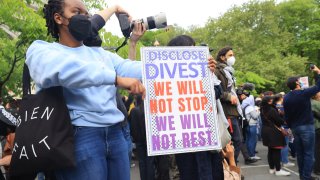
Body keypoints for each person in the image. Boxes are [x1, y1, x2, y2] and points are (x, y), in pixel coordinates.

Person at [26, 0, 146, 179]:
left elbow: (135, 68)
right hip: (79, 136)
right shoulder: (41, 50)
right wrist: (115, 79)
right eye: (77, 12)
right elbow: (64, 70)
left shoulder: (102, 54)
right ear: (58, 18)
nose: (84, 17)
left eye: (86, 14)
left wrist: (194, 65)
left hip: (117, 134)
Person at [214, 47, 256, 165]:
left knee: (237, 141)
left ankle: (231, 167)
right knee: (235, 141)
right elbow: (217, 91)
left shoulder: (228, 71)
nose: (233, 57)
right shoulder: (217, 71)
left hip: (233, 111)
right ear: (222, 57)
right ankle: (230, 167)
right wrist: (229, 97)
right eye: (230, 55)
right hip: (227, 112)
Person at [283, 66, 320, 180]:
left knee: (300, 154)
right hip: (307, 127)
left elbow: (287, 115)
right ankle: (306, 177)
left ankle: (303, 176)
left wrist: (289, 126)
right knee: (309, 154)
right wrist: (318, 72)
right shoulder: (304, 93)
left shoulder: (286, 98)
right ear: (297, 83)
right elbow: (318, 86)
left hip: (295, 128)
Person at [260, 96, 291, 176]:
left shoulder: (262, 109)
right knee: (276, 151)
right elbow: (279, 121)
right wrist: (280, 115)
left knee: (270, 150)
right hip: (273, 132)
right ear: (269, 101)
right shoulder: (272, 110)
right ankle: (278, 170)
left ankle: (271, 168)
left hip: (266, 131)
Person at [273, 94, 295, 168]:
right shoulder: (283, 107)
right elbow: (287, 118)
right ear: (281, 98)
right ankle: (285, 161)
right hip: (284, 127)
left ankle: (280, 160)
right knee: (285, 145)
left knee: (279, 145)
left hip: (276, 128)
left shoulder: (273, 107)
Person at [311, 92, 320, 175]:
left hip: (310, 128)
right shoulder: (317, 104)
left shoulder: (308, 102)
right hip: (318, 127)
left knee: (313, 149)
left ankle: (314, 167)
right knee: (317, 149)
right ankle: (317, 168)